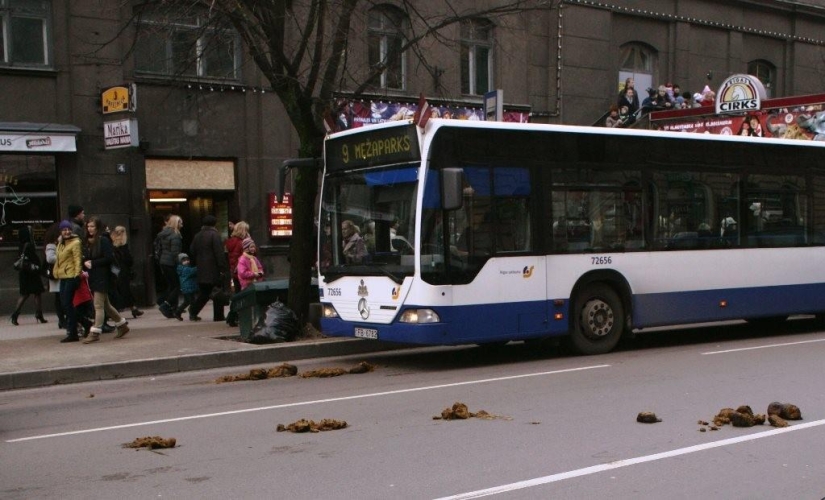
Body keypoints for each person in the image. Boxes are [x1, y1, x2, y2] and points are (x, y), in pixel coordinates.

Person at [82, 216, 130, 343]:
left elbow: (109, 258)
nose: (90, 229)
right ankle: (122, 325)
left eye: (92, 226)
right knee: (106, 305)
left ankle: (95, 332)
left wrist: (92, 263)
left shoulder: (103, 240)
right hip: (95, 276)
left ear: (97, 227)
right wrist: (86, 262)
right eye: (88, 226)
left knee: (98, 305)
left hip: (103, 276)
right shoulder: (89, 241)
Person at [188, 215, 229, 322]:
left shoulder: (197, 235)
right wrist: (223, 268)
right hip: (213, 269)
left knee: (204, 293)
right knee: (217, 292)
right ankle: (218, 315)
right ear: (214, 224)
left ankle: (193, 311)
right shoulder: (214, 235)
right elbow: (219, 253)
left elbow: (192, 250)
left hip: (201, 269)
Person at [53, 220, 83, 342]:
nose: (67, 231)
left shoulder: (75, 242)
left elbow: (77, 259)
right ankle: (85, 323)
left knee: (67, 304)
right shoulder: (60, 243)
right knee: (65, 304)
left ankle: (73, 332)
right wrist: (56, 272)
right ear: (61, 231)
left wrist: (77, 275)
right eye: (64, 230)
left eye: (68, 229)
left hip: (71, 276)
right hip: (63, 276)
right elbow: (59, 261)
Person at [10, 225, 47, 325]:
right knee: (37, 293)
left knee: (24, 294)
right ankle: (39, 314)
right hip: (32, 273)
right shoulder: (29, 245)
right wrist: (39, 267)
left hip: (24, 273)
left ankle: (15, 314)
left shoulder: (21, 245)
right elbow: (34, 259)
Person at [110, 226, 143, 318]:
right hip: (122, 271)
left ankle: (133, 308)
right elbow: (128, 259)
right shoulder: (123, 245)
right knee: (124, 290)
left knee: (122, 290)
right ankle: (128, 309)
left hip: (114, 270)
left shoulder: (111, 243)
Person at [157, 215, 184, 318]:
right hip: (171, 263)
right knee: (176, 286)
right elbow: (174, 252)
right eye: (180, 222)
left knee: (172, 285)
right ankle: (166, 304)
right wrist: (180, 263)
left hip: (164, 261)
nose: (182, 225)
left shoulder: (164, 234)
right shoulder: (175, 235)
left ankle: (165, 303)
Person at [224, 220, 249, 327]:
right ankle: (233, 315)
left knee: (237, 294)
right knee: (242, 294)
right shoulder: (242, 243)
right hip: (242, 271)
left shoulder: (230, 242)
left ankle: (232, 316)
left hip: (234, 270)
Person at [43, 222, 66, 329]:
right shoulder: (51, 245)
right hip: (56, 275)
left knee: (61, 297)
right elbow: (50, 258)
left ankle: (62, 319)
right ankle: (62, 319)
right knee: (59, 298)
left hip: (61, 274)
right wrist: (65, 258)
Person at [174, 253, 198, 321]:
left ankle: (191, 314)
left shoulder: (183, 268)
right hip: (187, 289)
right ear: (180, 262)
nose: (187, 261)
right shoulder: (184, 269)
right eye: (184, 260)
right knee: (190, 302)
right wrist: (200, 265)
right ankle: (179, 312)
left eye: (187, 259)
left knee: (189, 301)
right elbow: (192, 271)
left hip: (188, 288)